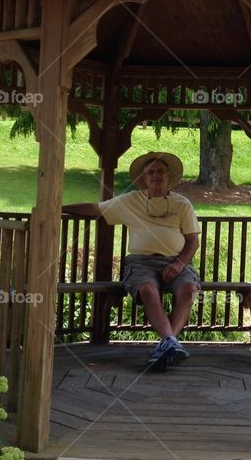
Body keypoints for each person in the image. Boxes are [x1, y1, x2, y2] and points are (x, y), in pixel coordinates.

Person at [63, 151, 200, 370]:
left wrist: (180, 263)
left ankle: (167, 344)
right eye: (151, 173)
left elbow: (193, 241)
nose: (156, 176)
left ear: (168, 176)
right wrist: (59, 208)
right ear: (144, 179)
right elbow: (95, 209)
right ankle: (170, 344)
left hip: (177, 262)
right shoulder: (130, 201)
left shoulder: (182, 204)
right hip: (141, 263)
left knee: (190, 289)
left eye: (160, 172)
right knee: (147, 289)